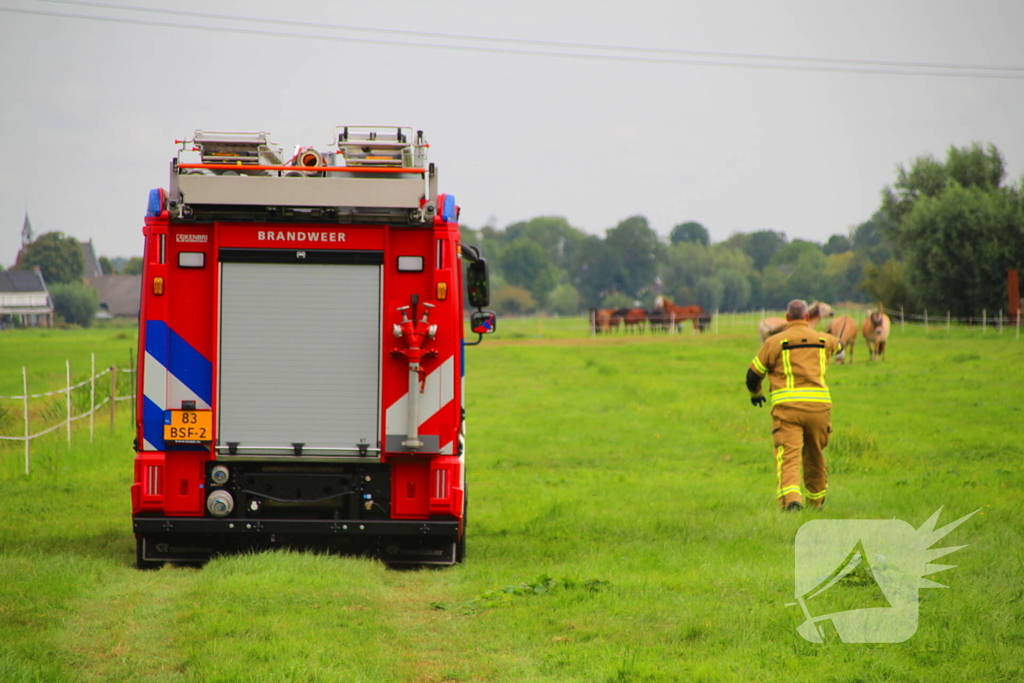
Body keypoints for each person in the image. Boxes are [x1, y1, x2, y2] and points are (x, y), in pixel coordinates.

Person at [746, 299, 843, 511]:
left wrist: (756, 394)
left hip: (787, 410)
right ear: (807, 317)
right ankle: (816, 503)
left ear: (787, 318)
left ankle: (791, 501)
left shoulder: (774, 342)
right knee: (815, 455)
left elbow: (753, 376)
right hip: (819, 409)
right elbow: (840, 345)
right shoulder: (823, 339)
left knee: (789, 456)